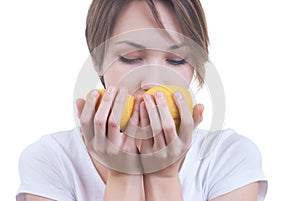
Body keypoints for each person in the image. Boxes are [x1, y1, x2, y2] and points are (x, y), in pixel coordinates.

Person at [16, 0, 268, 201]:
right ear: (96, 60)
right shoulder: (51, 159)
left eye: (177, 60)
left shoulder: (229, 157)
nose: (153, 81)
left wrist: (162, 176)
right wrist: (122, 174)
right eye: (130, 57)